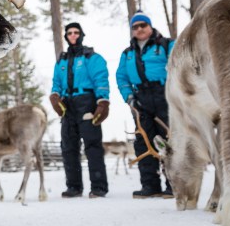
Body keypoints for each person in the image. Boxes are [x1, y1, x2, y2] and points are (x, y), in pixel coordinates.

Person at [116, 10, 175, 199]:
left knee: (169, 140)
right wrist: (129, 97)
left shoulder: (166, 45)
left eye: (143, 25)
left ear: (150, 26)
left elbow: (180, 67)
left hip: (164, 96)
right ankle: (150, 185)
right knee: (144, 141)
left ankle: (174, 183)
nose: (139, 29)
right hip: (141, 100)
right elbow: (122, 77)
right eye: (135, 27)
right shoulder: (127, 54)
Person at [49, 22, 111, 199]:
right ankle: (74, 187)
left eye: (76, 32)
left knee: (92, 145)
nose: (73, 35)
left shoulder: (92, 57)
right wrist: (54, 96)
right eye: (70, 33)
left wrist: (103, 102)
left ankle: (99, 187)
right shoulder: (62, 60)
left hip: (87, 102)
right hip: (67, 104)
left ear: (82, 35)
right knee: (68, 146)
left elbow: (101, 79)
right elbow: (56, 82)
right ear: (66, 36)